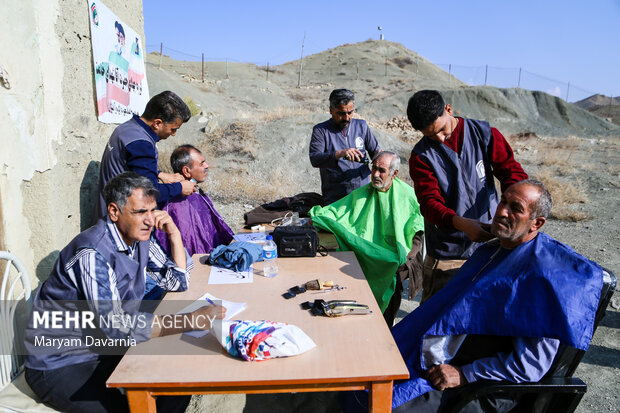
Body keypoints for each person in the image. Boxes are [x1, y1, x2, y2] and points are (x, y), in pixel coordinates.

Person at [341, 180, 604, 412]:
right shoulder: (493, 251)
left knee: (384, 405)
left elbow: (531, 366)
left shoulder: (538, 277)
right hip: (449, 357)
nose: (501, 212)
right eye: (503, 201)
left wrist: (464, 374)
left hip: (483, 386)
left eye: (516, 208)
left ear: (537, 223)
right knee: (360, 373)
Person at [25, 172, 225, 413]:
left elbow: (176, 282)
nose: (150, 220)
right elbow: (115, 327)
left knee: (179, 378)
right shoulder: (93, 253)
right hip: (60, 361)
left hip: (101, 347)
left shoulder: (140, 237)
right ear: (114, 212)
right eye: (141, 212)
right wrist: (188, 320)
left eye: (152, 210)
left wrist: (174, 234)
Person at [407, 90, 528, 301]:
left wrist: (516, 207)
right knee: (437, 318)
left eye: (442, 130)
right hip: (447, 253)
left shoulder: (484, 133)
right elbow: (429, 203)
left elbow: (511, 172)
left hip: (490, 244)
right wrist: (461, 224)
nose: (439, 138)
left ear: (448, 110)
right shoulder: (421, 156)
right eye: (429, 135)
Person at [309, 151, 424, 326]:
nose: (376, 175)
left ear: (394, 173)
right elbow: (338, 211)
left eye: (381, 171)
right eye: (374, 169)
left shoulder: (408, 196)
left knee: (389, 294)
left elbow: (417, 232)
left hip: (392, 258)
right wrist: (317, 217)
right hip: (365, 252)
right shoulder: (363, 192)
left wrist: (407, 258)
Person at [94, 90, 197, 220]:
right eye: (173, 129)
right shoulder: (142, 144)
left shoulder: (127, 128)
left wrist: (160, 174)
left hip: (107, 213)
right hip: (121, 223)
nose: (174, 134)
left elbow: (130, 165)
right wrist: (180, 187)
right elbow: (149, 193)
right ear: (157, 123)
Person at [155, 144, 234, 255]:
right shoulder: (178, 204)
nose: (207, 165)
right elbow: (192, 246)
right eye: (202, 163)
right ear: (187, 171)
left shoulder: (196, 193)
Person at [309, 88, 381, 205]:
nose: (347, 118)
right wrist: (339, 154)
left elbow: (376, 152)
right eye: (341, 113)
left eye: (350, 112)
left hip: (363, 193)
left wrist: (385, 161)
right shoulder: (321, 130)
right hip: (336, 197)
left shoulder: (361, 126)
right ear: (331, 110)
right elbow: (315, 159)